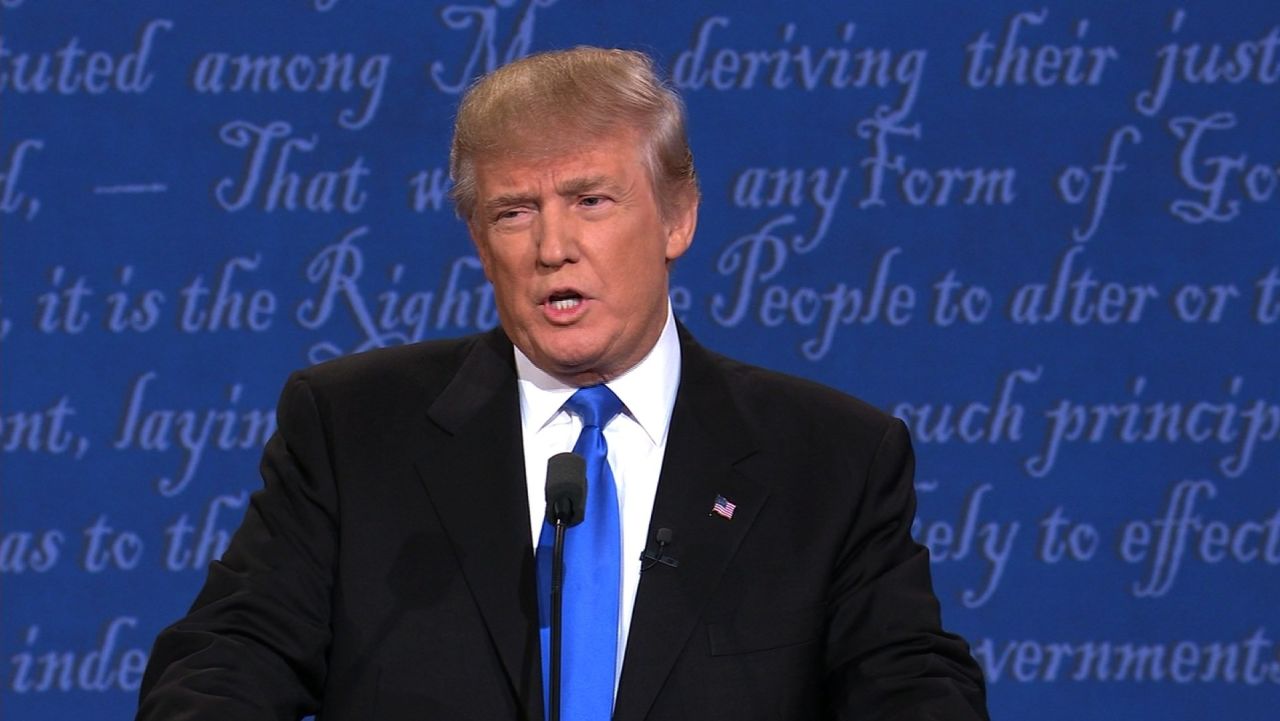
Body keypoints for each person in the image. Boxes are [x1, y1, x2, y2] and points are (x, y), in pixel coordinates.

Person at [137, 47, 988, 721]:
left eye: (590, 200)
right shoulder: (351, 430)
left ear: (678, 217)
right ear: (480, 241)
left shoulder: (831, 460)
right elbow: (224, 662)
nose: (552, 247)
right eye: (514, 211)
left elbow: (910, 685)